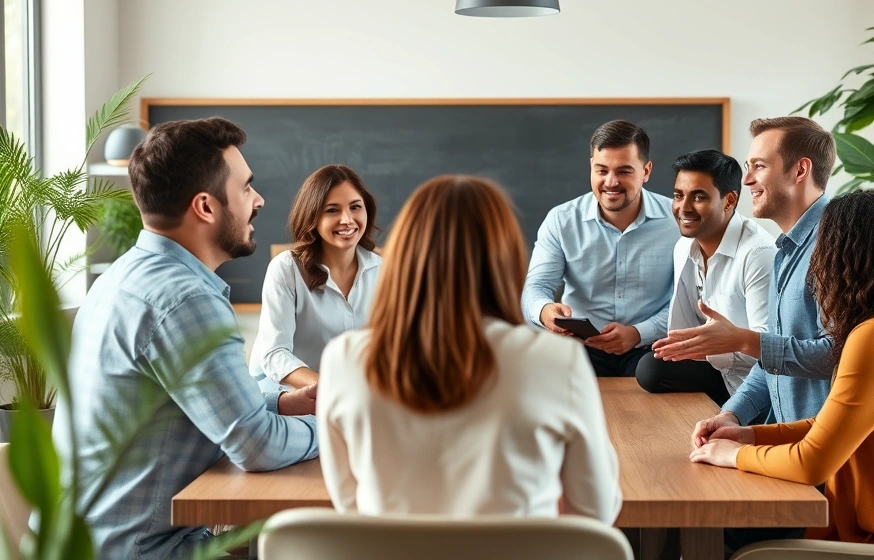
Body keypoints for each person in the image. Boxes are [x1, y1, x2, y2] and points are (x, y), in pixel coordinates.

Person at [52, 118, 319, 560]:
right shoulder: (185, 300)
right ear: (206, 207)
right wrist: (335, 427)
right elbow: (257, 446)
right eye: (246, 188)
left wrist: (280, 403)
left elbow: (183, 400)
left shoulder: (121, 277)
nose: (258, 200)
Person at [317, 175, 622, 523]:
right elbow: (595, 512)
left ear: (403, 254)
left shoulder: (344, 359)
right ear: (505, 258)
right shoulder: (557, 360)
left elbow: (349, 504)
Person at [690, 190, 874, 544]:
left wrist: (736, 455)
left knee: (726, 535)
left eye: (821, 254)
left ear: (843, 259)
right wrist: (751, 434)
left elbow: (813, 463)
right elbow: (833, 425)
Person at [674, 117, 836, 438]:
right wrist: (733, 413)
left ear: (800, 171)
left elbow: (837, 353)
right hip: (787, 439)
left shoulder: (835, 244)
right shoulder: (785, 251)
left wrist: (742, 340)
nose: (746, 179)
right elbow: (771, 361)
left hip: (824, 453)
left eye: (759, 166)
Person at [521, 120, 679, 377]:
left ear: (646, 171)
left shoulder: (678, 222)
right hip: (580, 347)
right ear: (591, 167)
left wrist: (639, 332)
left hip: (651, 348)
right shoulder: (561, 220)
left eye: (624, 171)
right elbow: (535, 287)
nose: (611, 182)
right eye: (601, 170)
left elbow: (687, 300)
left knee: (657, 376)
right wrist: (545, 311)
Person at [635, 149, 776, 405]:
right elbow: (685, 325)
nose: (684, 208)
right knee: (651, 368)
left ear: (729, 201)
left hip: (755, 385)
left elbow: (771, 349)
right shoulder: (684, 247)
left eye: (698, 197)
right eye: (678, 195)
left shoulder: (759, 253)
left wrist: (726, 342)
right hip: (718, 370)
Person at [249, 165, 382, 393]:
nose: (347, 219)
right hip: (290, 398)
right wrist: (334, 390)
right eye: (332, 210)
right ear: (313, 216)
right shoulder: (287, 268)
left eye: (355, 207)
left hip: (356, 398)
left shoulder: (383, 270)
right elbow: (274, 355)